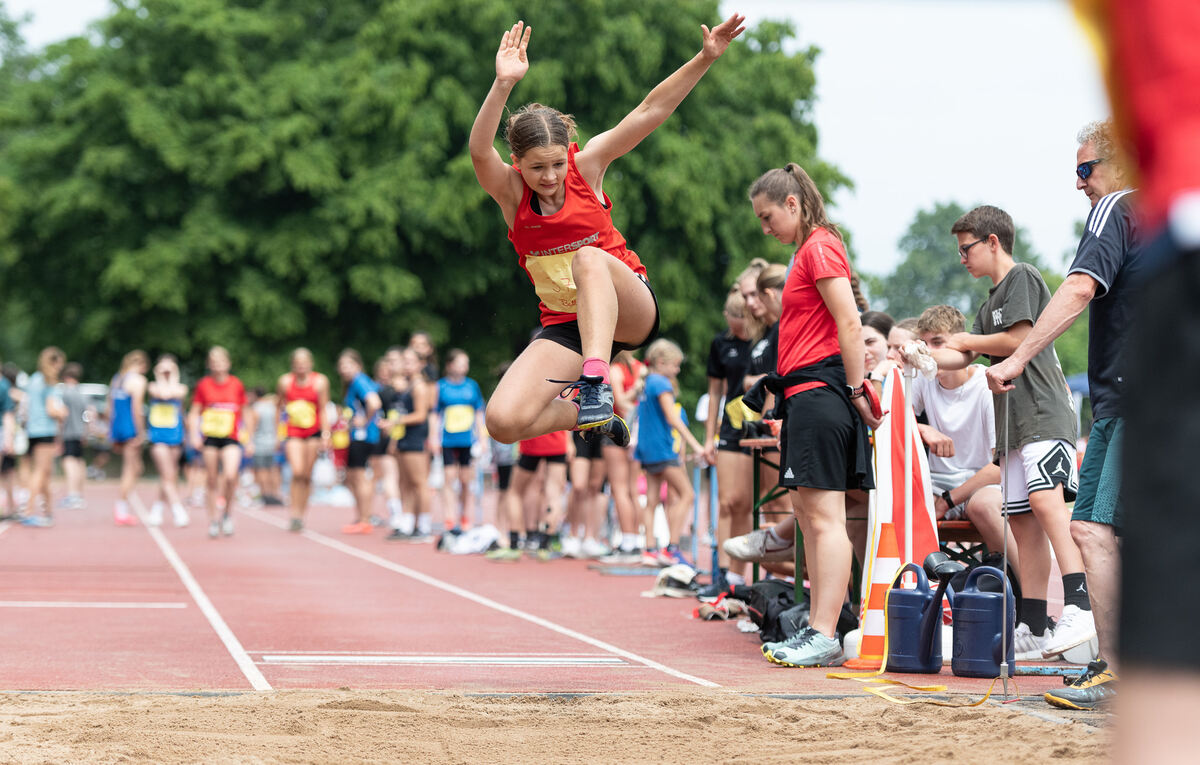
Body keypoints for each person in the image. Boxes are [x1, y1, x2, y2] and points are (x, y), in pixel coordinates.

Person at [470, 15, 745, 449]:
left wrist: (704, 58)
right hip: (567, 325)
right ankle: (587, 412)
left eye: (557, 164)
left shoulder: (587, 167)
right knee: (502, 422)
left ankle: (595, 381)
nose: (549, 177)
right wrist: (503, 84)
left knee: (588, 258)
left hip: (630, 304)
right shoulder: (509, 194)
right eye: (537, 168)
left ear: (568, 154)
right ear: (517, 162)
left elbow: (650, 110)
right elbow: (478, 150)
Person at [985, 120, 1142, 708]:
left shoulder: (1118, 207)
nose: (1079, 183)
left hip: (1134, 400)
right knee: (1112, 532)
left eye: (1086, 168)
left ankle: (1121, 671)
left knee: (1092, 530)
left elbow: (1078, 287)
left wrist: (1017, 360)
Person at [928, 205, 1096, 662]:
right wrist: (923, 357)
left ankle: (1080, 605)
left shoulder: (1021, 276)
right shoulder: (988, 303)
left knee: (1046, 504)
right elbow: (963, 359)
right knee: (1022, 523)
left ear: (992, 242)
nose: (962, 258)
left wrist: (965, 342)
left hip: (1043, 415)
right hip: (1014, 429)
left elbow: (1016, 339)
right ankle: (1035, 623)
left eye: (966, 249)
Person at [746, 163, 881, 669]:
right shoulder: (810, 250)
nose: (765, 229)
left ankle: (825, 630)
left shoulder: (820, 245)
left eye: (767, 217)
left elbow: (850, 320)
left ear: (793, 205)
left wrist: (854, 388)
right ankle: (823, 624)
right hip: (806, 396)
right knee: (810, 517)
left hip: (822, 393)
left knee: (824, 520)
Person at [700, 287, 753, 594]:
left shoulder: (764, 341)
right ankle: (720, 572)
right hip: (731, 425)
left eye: (742, 317)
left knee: (747, 503)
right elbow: (715, 393)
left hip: (760, 424)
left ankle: (738, 574)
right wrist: (710, 437)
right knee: (727, 501)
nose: (737, 323)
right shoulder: (721, 343)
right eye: (732, 317)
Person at [634, 339, 704, 568]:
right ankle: (671, 548)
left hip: (646, 449)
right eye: (675, 365)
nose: (677, 370)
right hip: (661, 449)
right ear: (661, 362)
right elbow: (672, 417)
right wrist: (696, 444)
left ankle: (649, 548)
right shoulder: (661, 383)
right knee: (687, 495)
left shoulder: (646, 383)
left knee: (653, 500)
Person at [189, 346, 255, 539]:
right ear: (209, 365)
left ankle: (226, 514)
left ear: (228, 363)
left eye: (221, 362)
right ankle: (212, 520)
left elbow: (246, 412)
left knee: (229, 476)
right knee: (211, 479)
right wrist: (194, 435)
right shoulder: (203, 385)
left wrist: (249, 439)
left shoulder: (236, 384)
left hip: (231, 438)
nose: (218, 366)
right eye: (214, 362)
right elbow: (194, 412)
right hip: (210, 438)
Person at [276, 347, 331, 532]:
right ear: (293, 365)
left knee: (307, 474)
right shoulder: (285, 381)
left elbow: (323, 409)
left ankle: (302, 512)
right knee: (297, 471)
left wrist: (326, 434)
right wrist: (279, 432)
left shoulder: (320, 382)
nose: (301, 367)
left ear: (311, 364)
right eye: (297, 364)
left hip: (313, 432)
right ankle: (294, 513)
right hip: (293, 432)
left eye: (304, 363)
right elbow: (279, 407)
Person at [434, 349, 485, 532]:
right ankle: (449, 517)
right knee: (448, 478)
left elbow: (479, 413)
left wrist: (483, 437)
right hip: (447, 439)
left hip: (467, 440)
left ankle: (465, 515)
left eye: (466, 363)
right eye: (460, 363)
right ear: (449, 365)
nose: (464, 367)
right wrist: (433, 438)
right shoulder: (441, 386)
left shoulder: (472, 386)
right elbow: (435, 414)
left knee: (465, 480)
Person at [387, 347, 433, 540]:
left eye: (409, 361)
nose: (405, 365)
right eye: (404, 361)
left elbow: (421, 415)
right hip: (404, 438)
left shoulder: (420, 387)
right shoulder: (406, 385)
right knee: (405, 483)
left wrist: (396, 421)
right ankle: (407, 524)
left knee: (419, 483)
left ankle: (423, 525)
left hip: (416, 438)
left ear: (420, 364)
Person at [336, 349, 382, 535]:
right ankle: (363, 517)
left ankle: (364, 519)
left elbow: (374, 403)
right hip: (361, 435)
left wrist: (364, 420)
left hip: (363, 436)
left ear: (358, 365)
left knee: (359, 476)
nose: (345, 369)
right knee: (355, 477)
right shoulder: (354, 383)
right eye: (342, 366)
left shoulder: (360, 381)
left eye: (349, 365)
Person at [21, 347, 67, 527]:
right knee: (40, 472)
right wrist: (62, 412)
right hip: (45, 431)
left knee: (46, 472)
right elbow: (51, 409)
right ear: (54, 363)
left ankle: (48, 511)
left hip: (32, 431)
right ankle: (28, 510)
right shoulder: (50, 382)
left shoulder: (34, 379)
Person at [145, 354, 189, 528]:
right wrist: (159, 375)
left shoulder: (181, 388)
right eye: (162, 368)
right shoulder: (153, 386)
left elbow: (174, 393)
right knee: (167, 474)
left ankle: (157, 508)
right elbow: (163, 394)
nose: (166, 372)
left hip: (175, 436)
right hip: (157, 437)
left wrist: (174, 376)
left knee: (170, 475)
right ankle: (178, 509)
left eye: (170, 369)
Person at [109, 350, 149, 526]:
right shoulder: (138, 380)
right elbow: (137, 409)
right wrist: (141, 432)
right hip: (130, 428)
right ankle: (122, 508)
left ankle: (123, 505)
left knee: (136, 468)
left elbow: (109, 409)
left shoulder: (117, 379)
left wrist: (112, 432)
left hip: (117, 427)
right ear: (143, 365)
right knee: (130, 470)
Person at [58, 362, 88, 511]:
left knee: (69, 463)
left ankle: (73, 495)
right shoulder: (82, 393)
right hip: (80, 432)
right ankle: (79, 494)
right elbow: (88, 415)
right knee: (79, 462)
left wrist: (58, 436)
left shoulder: (65, 393)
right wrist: (86, 432)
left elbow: (62, 416)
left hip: (68, 432)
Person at [248, 387, 282, 506]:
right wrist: (277, 438)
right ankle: (274, 493)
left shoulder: (256, 408)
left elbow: (252, 426)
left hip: (259, 443)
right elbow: (277, 423)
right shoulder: (272, 407)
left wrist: (250, 441)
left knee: (261, 469)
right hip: (272, 441)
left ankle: (265, 494)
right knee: (272, 469)